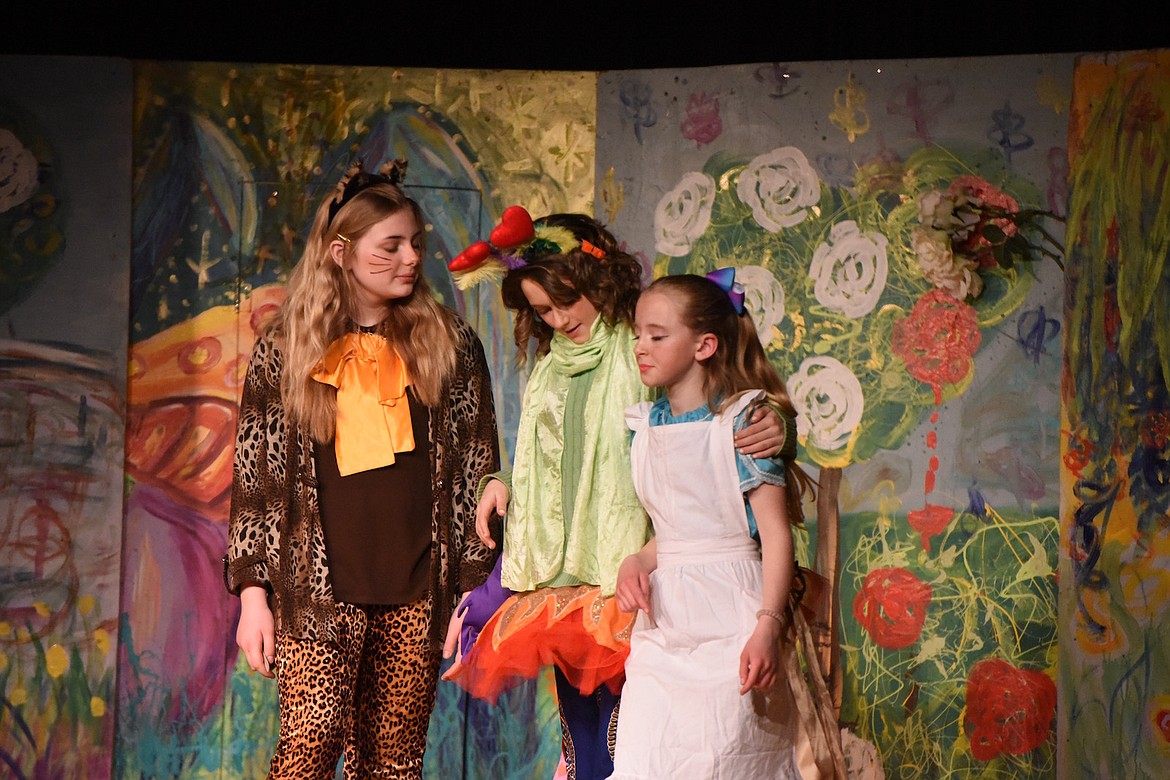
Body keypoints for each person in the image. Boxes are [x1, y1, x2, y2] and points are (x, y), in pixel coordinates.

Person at [440, 211, 787, 780]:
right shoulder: (551, 367)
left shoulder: (641, 350)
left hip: (633, 574)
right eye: (542, 311)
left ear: (595, 281)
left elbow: (713, 412)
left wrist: (777, 428)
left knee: (641, 737)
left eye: (566, 302)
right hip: (566, 579)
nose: (557, 319)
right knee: (584, 735)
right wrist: (503, 482)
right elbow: (547, 453)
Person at [223, 158, 500, 779]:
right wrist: (253, 597)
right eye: (391, 245)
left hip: (417, 585)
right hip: (316, 588)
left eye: (416, 245)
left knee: (393, 763)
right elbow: (255, 478)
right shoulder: (286, 346)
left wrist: (472, 591)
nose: (410, 259)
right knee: (307, 749)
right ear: (342, 252)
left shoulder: (448, 342)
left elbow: (477, 469)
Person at [609, 269, 819, 779]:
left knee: (724, 760)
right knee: (646, 758)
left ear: (704, 345)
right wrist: (636, 560)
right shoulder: (645, 426)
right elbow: (675, 531)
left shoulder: (741, 422)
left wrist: (768, 626)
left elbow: (773, 535)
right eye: (638, 334)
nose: (642, 346)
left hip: (732, 612)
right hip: (665, 621)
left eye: (658, 336)